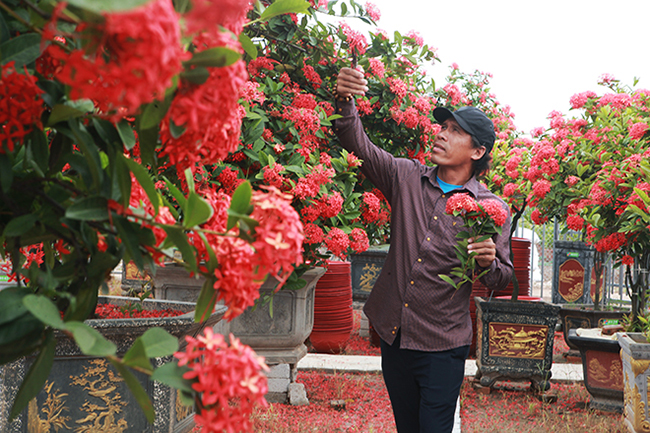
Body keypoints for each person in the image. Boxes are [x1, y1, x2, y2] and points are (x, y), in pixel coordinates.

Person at [333, 67, 514, 433]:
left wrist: (487, 261)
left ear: (477, 150)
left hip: (442, 344)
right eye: (442, 127)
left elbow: (504, 277)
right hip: (395, 336)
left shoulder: (489, 209)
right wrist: (345, 100)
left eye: (455, 131)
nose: (442, 134)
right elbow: (358, 144)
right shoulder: (405, 178)